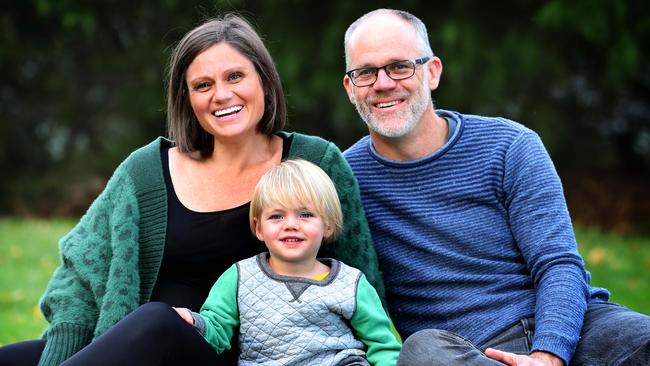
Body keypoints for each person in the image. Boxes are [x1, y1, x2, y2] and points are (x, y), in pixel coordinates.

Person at [0, 14, 384, 366]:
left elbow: (361, 280)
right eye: (203, 85)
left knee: (157, 320)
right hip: (141, 350)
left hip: (251, 357)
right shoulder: (146, 170)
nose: (221, 94)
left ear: (264, 80)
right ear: (187, 98)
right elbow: (81, 271)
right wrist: (62, 345)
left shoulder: (315, 163)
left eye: (235, 77)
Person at [341, 8, 650, 366]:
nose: (383, 83)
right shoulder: (346, 182)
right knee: (422, 352)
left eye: (399, 66)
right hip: (465, 350)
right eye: (366, 72)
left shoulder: (508, 145)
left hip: (576, 329)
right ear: (350, 88)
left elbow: (559, 263)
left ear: (432, 72)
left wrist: (549, 353)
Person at [173, 159, 401, 365]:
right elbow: (217, 329)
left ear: (328, 225)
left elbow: (383, 344)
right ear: (259, 228)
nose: (290, 224)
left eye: (305, 214)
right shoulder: (240, 277)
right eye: (276, 216)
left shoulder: (350, 282)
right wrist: (194, 322)